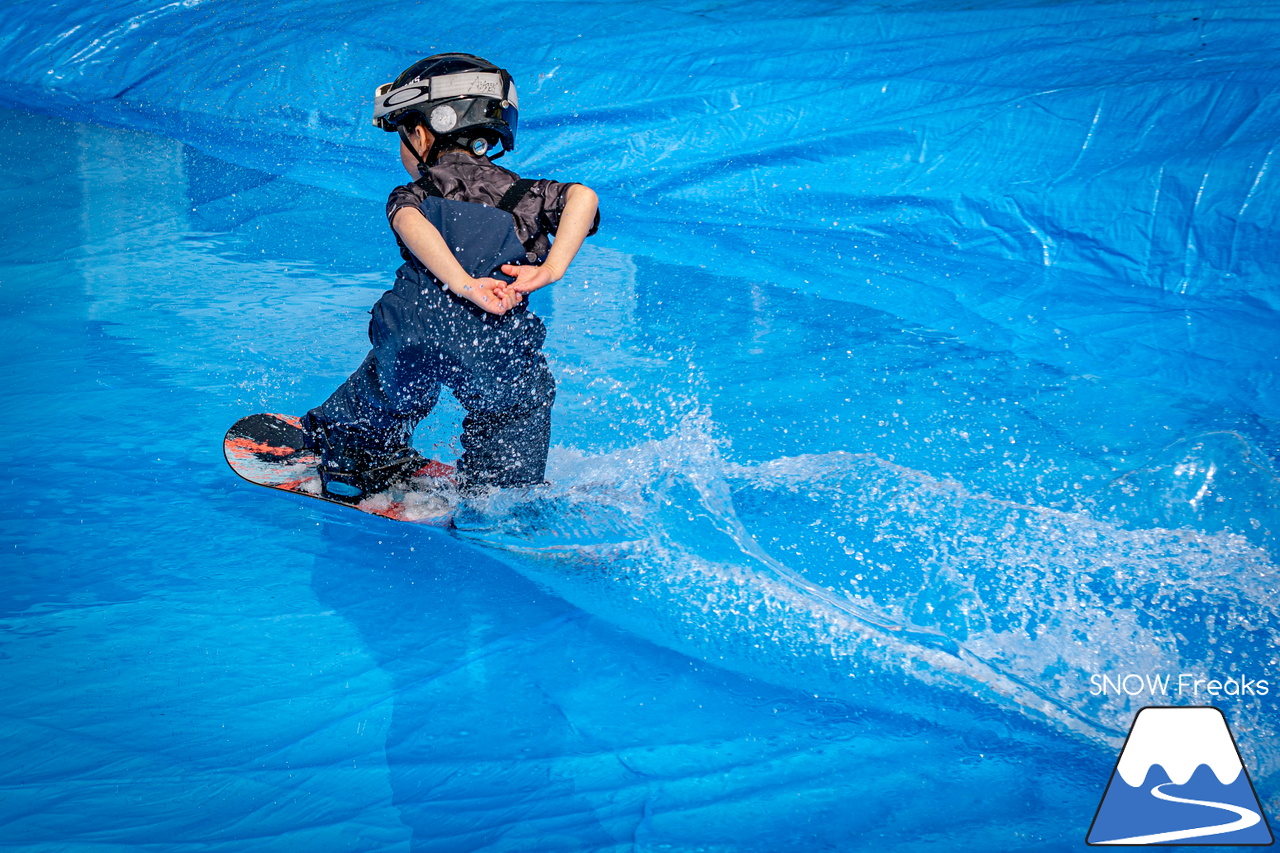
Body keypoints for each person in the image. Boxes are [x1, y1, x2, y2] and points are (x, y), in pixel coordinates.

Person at [300, 53, 599, 500]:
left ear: (422, 133)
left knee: (386, 390)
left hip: (410, 324)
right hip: (490, 337)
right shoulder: (528, 196)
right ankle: (499, 495)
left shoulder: (414, 193)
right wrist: (551, 268)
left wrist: (461, 283)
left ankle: (352, 453)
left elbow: (408, 222)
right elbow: (583, 197)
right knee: (516, 406)